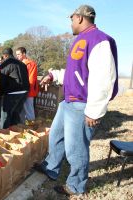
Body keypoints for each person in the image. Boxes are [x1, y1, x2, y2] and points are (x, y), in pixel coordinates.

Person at [35, 5, 118, 196]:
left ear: (80, 18)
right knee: (56, 138)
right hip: (68, 102)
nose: (70, 22)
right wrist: (52, 75)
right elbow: (75, 73)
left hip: (83, 104)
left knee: (76, 148)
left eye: (71, 19)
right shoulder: (80, 40)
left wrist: (94, 111)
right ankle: (51, 168)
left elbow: (104, 78)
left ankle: (75, 185)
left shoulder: (100, 40)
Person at [0, 48, 29, 128]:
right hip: (24, 92)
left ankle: (3, 136)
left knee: (5, 116)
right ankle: (14, 135)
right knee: (15, 115)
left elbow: (2, 81)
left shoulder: (5, 64)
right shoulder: (22, 64)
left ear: (5, 55)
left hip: (12, 93)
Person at [15, 47, 38, 124]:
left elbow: (31, 79)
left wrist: (26, 90)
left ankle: (30, 129)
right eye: (16, 55)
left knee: (29, 109)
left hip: (28, 91)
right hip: (21, 91)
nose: (17, 56)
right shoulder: (18, 64)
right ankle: (23, 127)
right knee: (21, 110)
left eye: (19, 54)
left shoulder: (31, 64)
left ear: (24, 54)